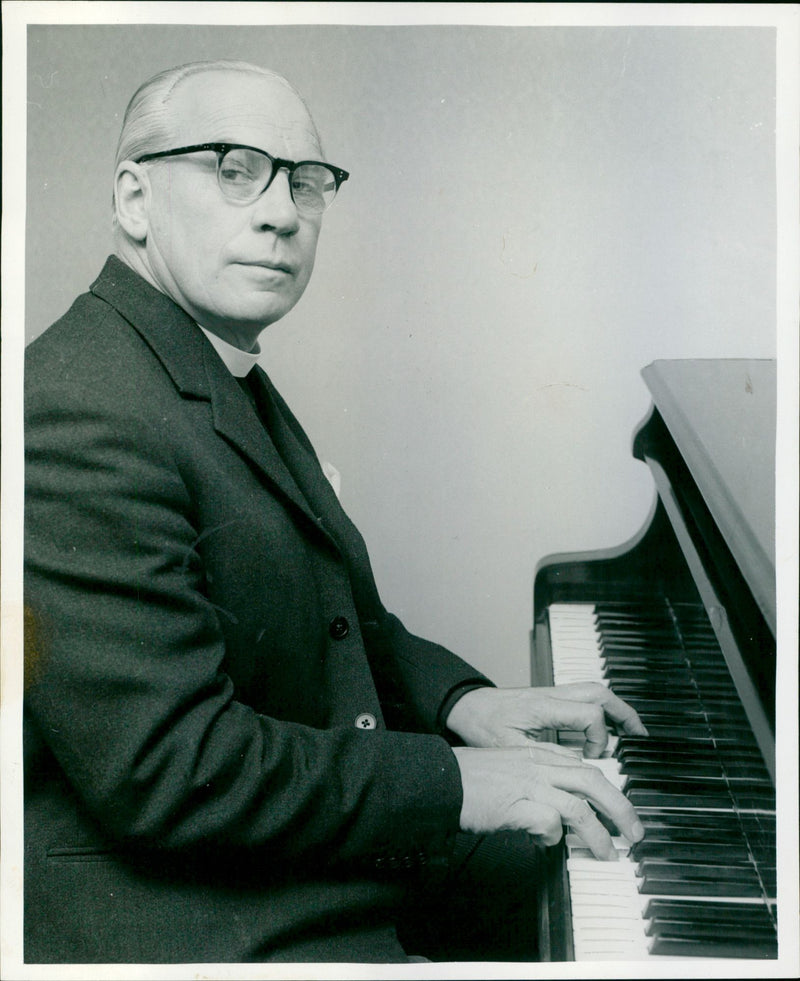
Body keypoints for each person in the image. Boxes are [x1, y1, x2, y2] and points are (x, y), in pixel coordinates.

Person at [24, 59, 647, 964]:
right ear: (133, 198)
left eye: (306, 182)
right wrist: (451, 780)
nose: (281, 212)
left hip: (270, 847)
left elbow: (328, 612)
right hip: (170, 906)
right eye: (234, 168)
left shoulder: (202, 361)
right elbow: (169, 767)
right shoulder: (78, 405)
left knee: (593, 867)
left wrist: (465, 703)